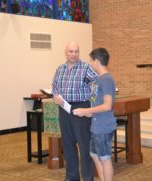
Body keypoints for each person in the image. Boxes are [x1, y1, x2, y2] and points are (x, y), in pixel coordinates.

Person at [52, 42, 97, 181]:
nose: (74, 54)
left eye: (76, 51)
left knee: (84, 146)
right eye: (71, 51)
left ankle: (88, 177)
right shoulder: (60, 69)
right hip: (64, 109)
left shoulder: (85, 67)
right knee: (68, 144)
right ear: (66, 52)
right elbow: (54, 85)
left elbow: (98, 81)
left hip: (81, 108)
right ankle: (72, 177)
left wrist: (92, 104)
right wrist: (55, 96)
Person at [73, 48, 116, 181]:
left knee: (104, 158)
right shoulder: (98, 79)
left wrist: (86, 111)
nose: (90, 63)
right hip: (96, 125)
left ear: (96, 61)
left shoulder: (107, 79)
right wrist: (90, 114)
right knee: (95, 156)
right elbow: (97, 102)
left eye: (91, 60)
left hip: (103, 126)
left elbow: (107, 105)